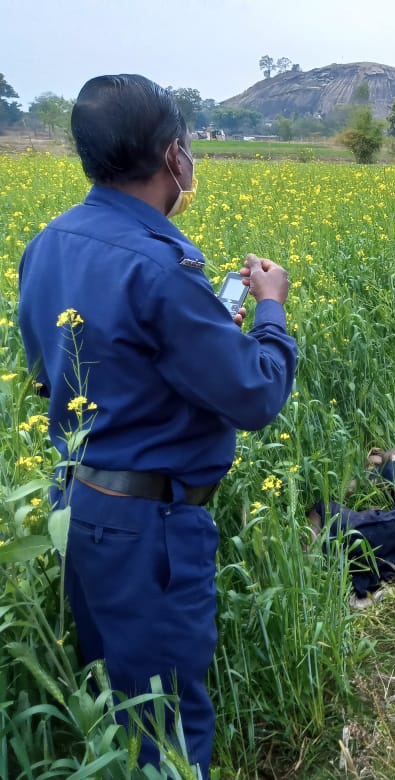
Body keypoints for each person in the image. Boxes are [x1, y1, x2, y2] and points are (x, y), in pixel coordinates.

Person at [17, 74, 297, 778]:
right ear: (174, 156)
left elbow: (55, 377)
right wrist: (270, 311)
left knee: (115, 709)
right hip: (152, 535)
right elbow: (257, 397)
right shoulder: (161, 267)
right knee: (165, 725)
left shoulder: (46, 246)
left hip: (77, 508)